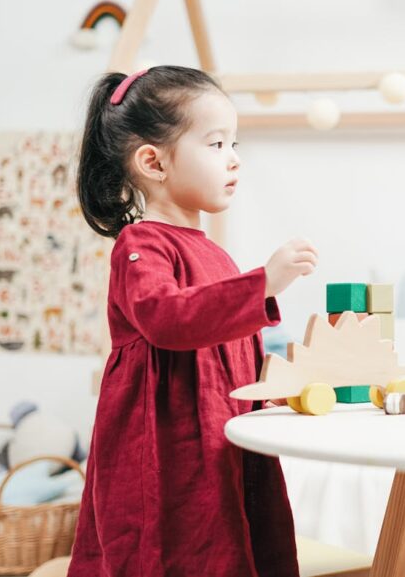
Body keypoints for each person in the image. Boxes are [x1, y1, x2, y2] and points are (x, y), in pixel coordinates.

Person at [69, 66, 318, 577]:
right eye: (216, 144)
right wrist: (262, 283)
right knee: (174, 549)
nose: (234, 159)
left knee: (236, 543)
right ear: (153, 162)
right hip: (166, 449)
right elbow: (168, 320)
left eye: (235, 143)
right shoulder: (142, 247)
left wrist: (275, 398)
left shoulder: (215, 256)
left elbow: (238, 353)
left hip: (221, 441)